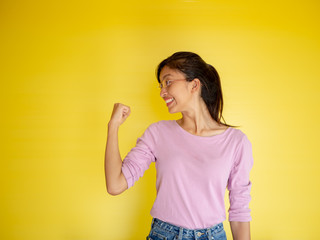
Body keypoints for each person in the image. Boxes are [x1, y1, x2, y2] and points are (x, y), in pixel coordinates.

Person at [105, 51, 253, 240]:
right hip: (164, 235)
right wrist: (113, 126)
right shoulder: (157, 133)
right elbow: (115, 185)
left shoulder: (236, 142)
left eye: (168, 82)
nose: (161, 92)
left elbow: (239, 210)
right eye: (160, 85)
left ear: (194, 85)